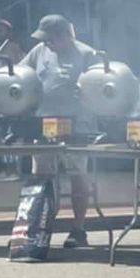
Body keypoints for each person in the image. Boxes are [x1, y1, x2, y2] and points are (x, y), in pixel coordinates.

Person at [18, 13, 97, 248]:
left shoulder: (86, 54)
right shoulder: (39, 51)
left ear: (66, 35)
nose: (47, 43)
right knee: (42, 178)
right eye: (45, 39)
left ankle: (78, 229)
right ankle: (39, 228)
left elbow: (100, 89)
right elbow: (21, 74)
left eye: (51, 39)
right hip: (42, 124)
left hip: (78, 126)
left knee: (77, 176)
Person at [0, 19, 28, 182]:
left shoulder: (14, 49)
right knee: (0, 133)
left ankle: (13, 170)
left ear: (10, 33)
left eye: (2, 31)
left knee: (12, 134)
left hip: (11, 96)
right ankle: (0, 168)